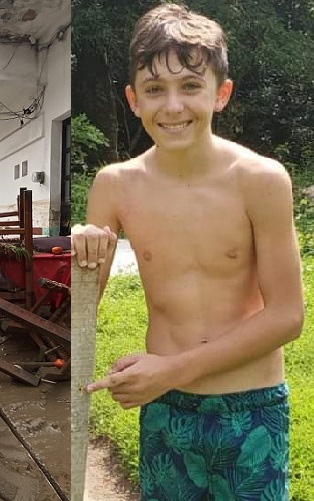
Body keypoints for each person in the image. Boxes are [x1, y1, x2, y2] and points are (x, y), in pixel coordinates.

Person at [71, 4, 304, 500]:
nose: (172, 106)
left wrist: (170, 369)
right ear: (134, 100)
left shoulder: (261, 181)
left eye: (190, 86)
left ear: (221, 93)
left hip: (251, 408)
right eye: (155, 90)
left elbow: (287, 316)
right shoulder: (115, 186)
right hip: (168, 412)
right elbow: (78, 316)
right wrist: (79, 259)